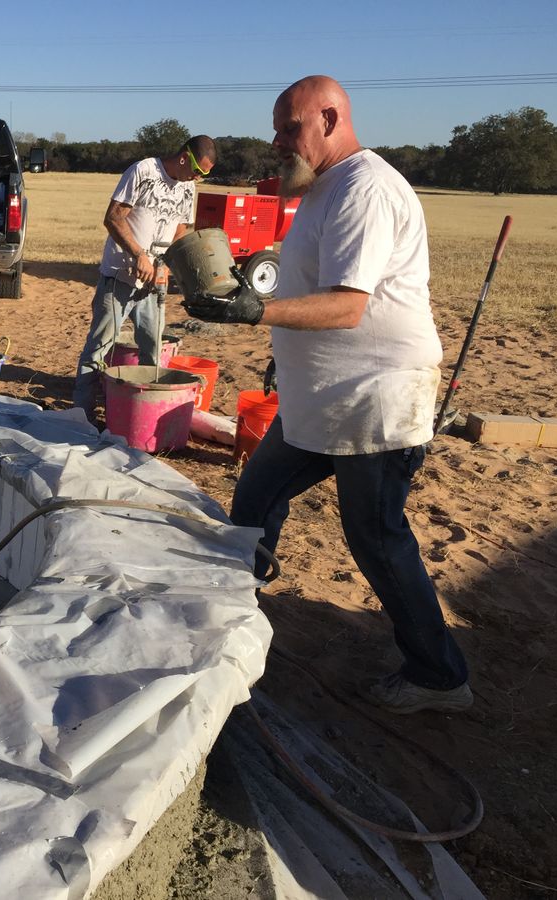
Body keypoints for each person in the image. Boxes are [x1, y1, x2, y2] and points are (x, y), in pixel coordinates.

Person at [178, 75, 471, 715]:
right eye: (277, 129)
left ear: (330, 119)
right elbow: (314, 287)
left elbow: (347, 306)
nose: (278, 142)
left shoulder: (364, 189)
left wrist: (257, 313)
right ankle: (230, 624)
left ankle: (440, 676)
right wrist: (285, 351)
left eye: (290, 128)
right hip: (324, 398)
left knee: (376, 536)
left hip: (374, 399)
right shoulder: (322, 187)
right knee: (256, 499)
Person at [72, 135, 216, 423]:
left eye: (205, 175)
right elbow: (113, 217)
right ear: (184, 157)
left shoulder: (188, 187)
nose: (198, 178)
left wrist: (166, 265)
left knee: (153, 348)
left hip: (153, 284)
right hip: (119, 277)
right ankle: (82, 416)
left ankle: (144, 415)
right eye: (198, 171)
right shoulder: (144, 171)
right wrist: (139, 254)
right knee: (99, 346)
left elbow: (180, 229)